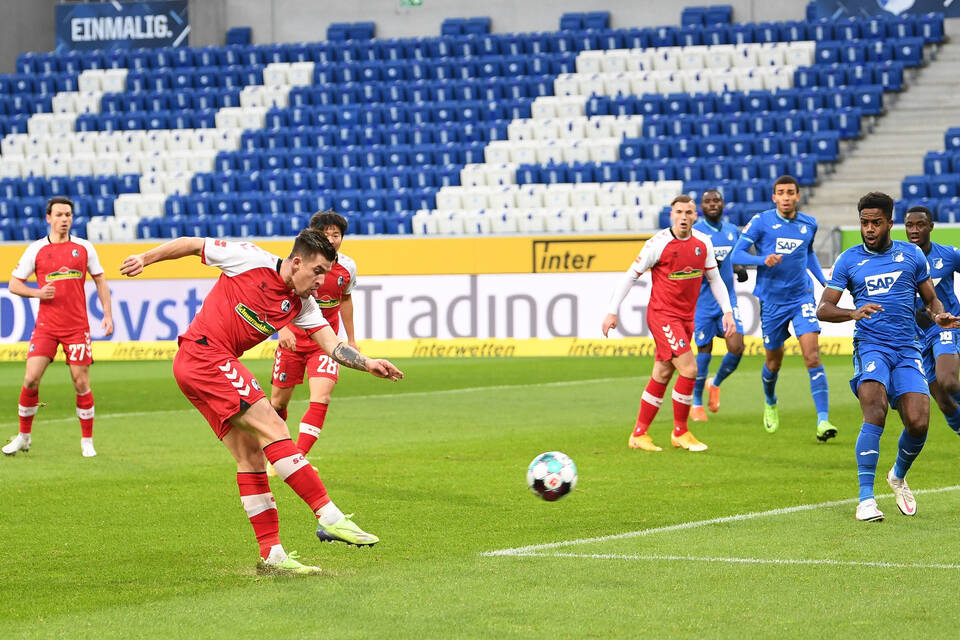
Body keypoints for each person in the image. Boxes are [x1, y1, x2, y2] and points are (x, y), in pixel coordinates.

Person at [119, 230, 403, 575]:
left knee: (251, 455)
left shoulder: (302, 304)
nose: (322, 281)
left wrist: (368, 363)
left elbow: (332, 345)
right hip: (205, 355)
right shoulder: (249, 258)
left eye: (326, 274)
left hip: (198, 366)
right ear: (297, 262)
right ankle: (329, 516)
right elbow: (193, 244)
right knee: (273, 425)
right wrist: (145, 259)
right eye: (317, 271)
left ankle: (273, 555)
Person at [817, 192, 959, 522]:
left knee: (919, 422)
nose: (869, 229)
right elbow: (824, 308)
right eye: (864, 223)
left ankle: (897, 475)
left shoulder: (911, 256)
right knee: (875, 409)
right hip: (871, 347)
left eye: (876, 223)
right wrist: (852, 313)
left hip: (907, 348)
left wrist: (939, 317)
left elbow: (931, 300)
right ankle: (865, 499)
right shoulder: (849, 260)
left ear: (889, 224)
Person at [602, 195, 735, 452]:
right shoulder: (658, 244)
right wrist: (611, 311)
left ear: (695, 216)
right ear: (671, 215)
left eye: (689, 212)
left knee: (662, 373)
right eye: (679, 212)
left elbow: (715, 279)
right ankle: (680, 432)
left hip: (686, 318)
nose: (684, 217)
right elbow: (630, 277)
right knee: (689, 369)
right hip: (663, 316)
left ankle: (639, 435)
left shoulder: (703, 243)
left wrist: (727, 311)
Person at [3, 196, 113, 458]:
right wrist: (37, 293)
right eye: (60, 215)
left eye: (68, 215)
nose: (65, 219)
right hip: (46, 327)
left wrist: (107, 314)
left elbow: (100, 280)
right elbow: (14, 284)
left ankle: (87, 441)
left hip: (77, 327)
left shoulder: (84, 248)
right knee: (30, 379)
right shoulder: (36, 250)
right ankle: (24, 437)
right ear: (48, 218)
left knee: (80, 381)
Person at [731, 175, 839, 441]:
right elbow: (736, 255)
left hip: (801, 297)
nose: (787, 197)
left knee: (812, 355)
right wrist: (761, 259)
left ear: (798, 196)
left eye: (791, 192)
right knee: (773, 362)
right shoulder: (761, 222)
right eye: (781, 192)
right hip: (772, 301)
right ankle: (770, 399)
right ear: (774, 197)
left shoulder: (808, 224)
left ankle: (823, 420)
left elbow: (809, 253)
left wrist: (822, 279)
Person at [270, 211, 357, 462]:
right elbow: (279, 295)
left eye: (336, 235)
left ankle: (296, 459)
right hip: (294, 340)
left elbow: (346, 300)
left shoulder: (347, 267)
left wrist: (350, 339)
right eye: (325, 234)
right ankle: (278, 453)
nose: (331, 240)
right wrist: (283, 328)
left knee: (322, 396)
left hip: (325, 342)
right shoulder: (297, 263)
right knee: (277, 403)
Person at [690, 189, 747, 422]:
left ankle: (716, 382)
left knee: (737, 346)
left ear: (723, 204)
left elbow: (733, 259)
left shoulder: (733, 231)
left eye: (716, 200)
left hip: (727, 301)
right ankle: (696, 403)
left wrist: (738, 269)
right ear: (701, 208)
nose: (712, 204)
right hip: (703, 301)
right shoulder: (696, 233)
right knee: (704, 352)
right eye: (707, 202)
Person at [904, 205, 960, 435]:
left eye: (920, 225)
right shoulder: (901, 261)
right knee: (945, 403)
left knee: (948, 380)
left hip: (944, 327)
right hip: (916, 337)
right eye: (909, 225)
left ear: (931, 227)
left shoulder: (948, 254)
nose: (914, 230)